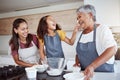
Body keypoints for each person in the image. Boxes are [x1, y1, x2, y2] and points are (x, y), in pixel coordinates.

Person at [74, 4, 117, 80]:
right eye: (77, 18)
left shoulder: (103, 29)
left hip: (104, 75)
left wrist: (92, 66)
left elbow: (112, 49)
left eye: (80, 17)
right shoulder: (80, 34)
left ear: (90, 15)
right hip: (86, 75)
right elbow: (79, 53)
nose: (78, 21)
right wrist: (77, 60)